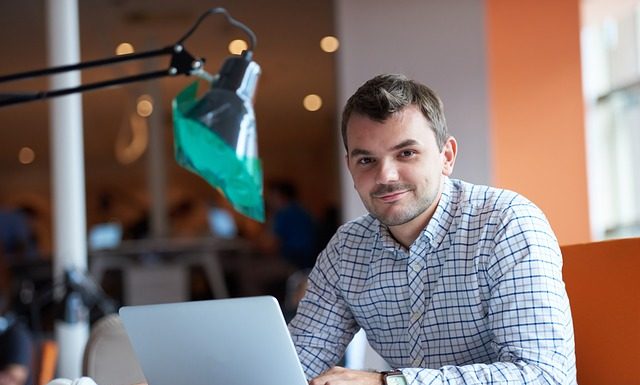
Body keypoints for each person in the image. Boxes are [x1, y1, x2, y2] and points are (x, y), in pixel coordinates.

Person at [288, 74, 576, 385]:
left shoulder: (506, 223)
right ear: (350, 168)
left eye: (406, 153)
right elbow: (296, 365)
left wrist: (391, 382)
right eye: (367, 160)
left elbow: (543, 377)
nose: (385, 175)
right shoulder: (347, 250)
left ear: (446, 156)